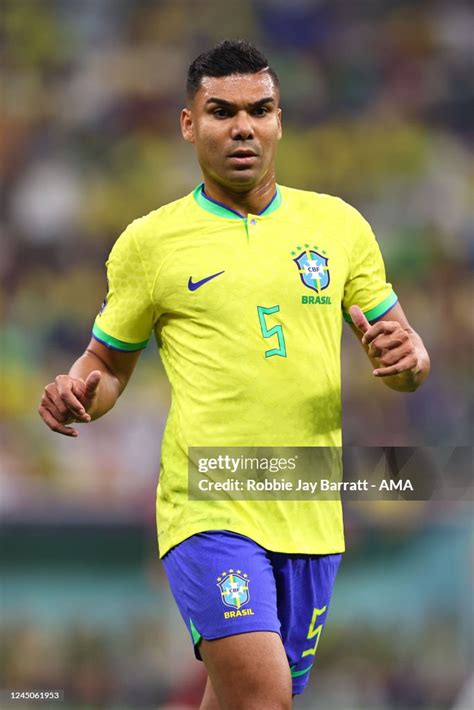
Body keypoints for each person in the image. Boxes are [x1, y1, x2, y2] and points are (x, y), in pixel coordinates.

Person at [38, 40, 430, 710]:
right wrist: (79, 392)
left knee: (243, 698)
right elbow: (106, 365)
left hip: (308, 508)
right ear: (190, 124)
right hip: (208, 503)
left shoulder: (337, 227)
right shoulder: (151, 242)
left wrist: (410, 362)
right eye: (221, 111)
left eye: (260, 110)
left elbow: (405, 353)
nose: (243, 126)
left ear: (280, 120)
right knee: (262, 697)